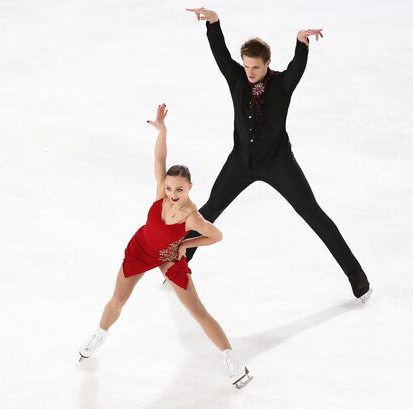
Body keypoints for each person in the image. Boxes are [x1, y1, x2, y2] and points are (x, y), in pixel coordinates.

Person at [184, 7, 372, 302]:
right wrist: (214, 23)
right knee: (208, 210)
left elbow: (297, 67)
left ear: (267, 64)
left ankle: (356, 275)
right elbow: (220, 54)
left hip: (278, 162)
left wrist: (301, 42)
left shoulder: (282, 85)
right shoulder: (237, 78)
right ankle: (180, 262)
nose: (249, 72)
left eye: (255, 67)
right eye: (246, 66)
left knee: (313, 213)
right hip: (241, 162)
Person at [78, 104, 252, 389]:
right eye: (170, 188)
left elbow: (216, 235)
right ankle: (100, 333)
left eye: (179, 189)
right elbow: (161, 158)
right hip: (140, 249)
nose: (172, 194)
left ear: (190, 187)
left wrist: (187, 244)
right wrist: (162, 131)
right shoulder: (162, 190)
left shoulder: (192, 216)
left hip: (169, 256)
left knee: (197, 311)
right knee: (118, 301)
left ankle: (232, 359)